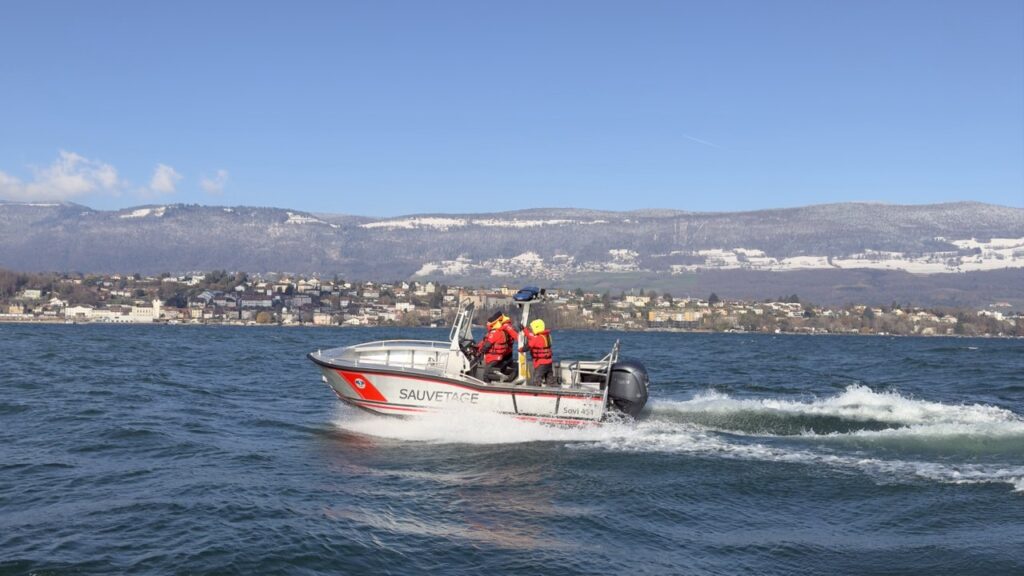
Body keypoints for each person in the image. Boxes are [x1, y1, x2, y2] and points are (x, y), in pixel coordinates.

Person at [476, 311, 516, 382]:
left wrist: (480, 352)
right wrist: (477, 347)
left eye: (488, 323)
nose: (487, 324)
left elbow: (487, 345)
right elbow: (485, 342)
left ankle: (490, 385)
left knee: (485, 374)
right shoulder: (498, 331)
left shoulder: (494, 332)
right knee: (488, 371)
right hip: (498, 356)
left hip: (493, 357)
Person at [521, 318, 555, 387]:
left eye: (532, 329)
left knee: (537, 379)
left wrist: (520, 349)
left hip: (540, 363)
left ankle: (537, 391)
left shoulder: (536, 338)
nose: (531, 330)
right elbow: (530, 335)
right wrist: (524, 329)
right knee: (549, 380)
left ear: (536, 328)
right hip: (549, 362)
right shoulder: (547, 336)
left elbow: (526, 348)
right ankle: (551, 390)